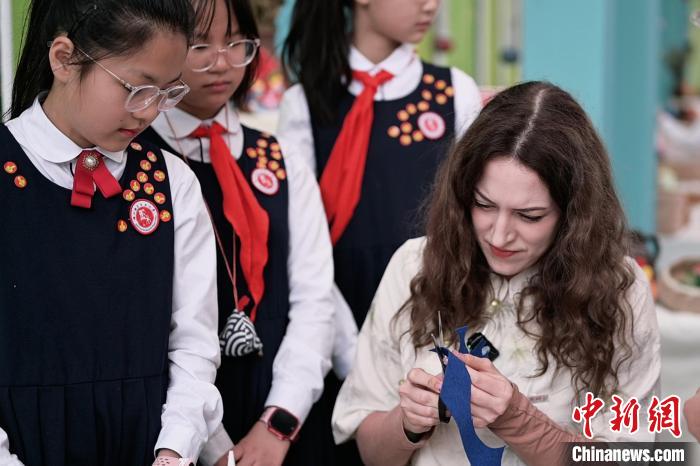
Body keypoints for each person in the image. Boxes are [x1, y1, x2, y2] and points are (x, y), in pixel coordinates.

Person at [332, 81, 662, 466]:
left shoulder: (619, 289)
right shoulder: (413, 265)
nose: (500, 235)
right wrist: (408, 423)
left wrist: (519, 421)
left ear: (574, 216)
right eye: (484, 205)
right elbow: (372, 453)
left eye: (529, 216)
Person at [0, 1, 223, 465]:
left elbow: (194, 344)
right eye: (137, 89)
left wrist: (174, 450)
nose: (149, 112)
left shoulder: (172, 182)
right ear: (64, 59)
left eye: (166, 92)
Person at [137, 0, 335, 465]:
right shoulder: (138, 161)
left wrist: (278, 425)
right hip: (172, 428)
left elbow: (315, 301)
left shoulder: (279, 159)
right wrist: (214, 446)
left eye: (236, 44)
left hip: (286, 420)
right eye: (200, 46)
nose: (222, 63)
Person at [278, 0, 482, 348]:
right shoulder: (304, 103)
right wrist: (348, 348)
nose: (431, 6)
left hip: (436, 317)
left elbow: (472, 218)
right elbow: (300, 241)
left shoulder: (455, 91)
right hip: (336, 323)